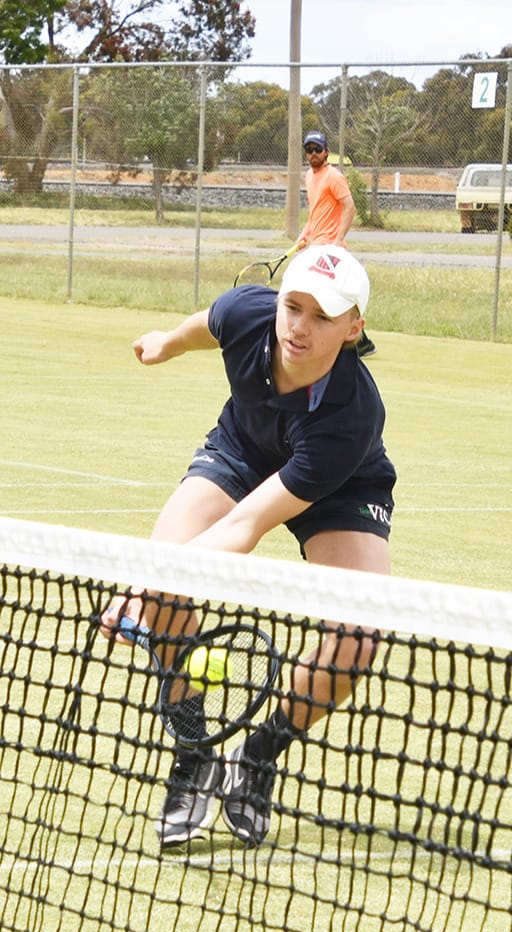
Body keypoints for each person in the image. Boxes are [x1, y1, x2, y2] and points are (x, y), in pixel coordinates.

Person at [101, 244, 396, 850]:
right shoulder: (247, 313)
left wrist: (139, 581)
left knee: (358, 637)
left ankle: (257, 757)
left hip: (339, 487)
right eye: (294, 306)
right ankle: (194, 755)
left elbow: (244, 527)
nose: (300, 326)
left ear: (353, 327)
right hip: (241, 452)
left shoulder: (351, 415)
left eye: (323, 316)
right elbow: (205, 325)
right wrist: (165, 342)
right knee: (164, 602)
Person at [297, 130, 377, 358]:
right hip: (316, 244)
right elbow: (316, 212)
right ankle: (361, 343)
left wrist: (339, 239)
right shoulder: (309, 176)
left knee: (322, 293)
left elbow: (349, 207)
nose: (313, 154)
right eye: (309, 150)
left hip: (330, 247)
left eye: (317, 150)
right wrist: (305, 233)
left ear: (326, 153)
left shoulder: (334, 176)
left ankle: (357, 341)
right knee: (329, 295)